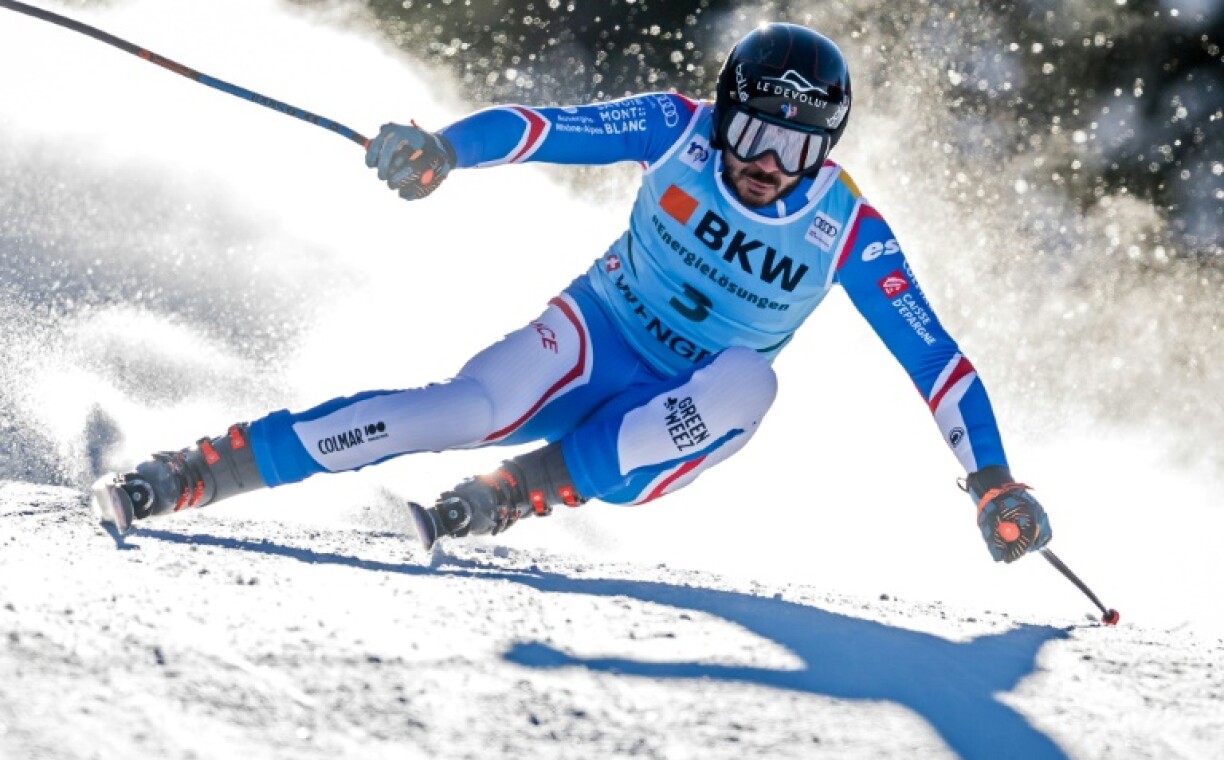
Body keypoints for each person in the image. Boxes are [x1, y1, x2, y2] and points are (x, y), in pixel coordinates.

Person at [91, 23, 1051, 564]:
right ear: (724, 114)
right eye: (754, 134)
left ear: (828, 147)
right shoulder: (676, 128)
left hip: (689, 406)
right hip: (595, 330)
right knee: (456, 409)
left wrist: (994, 482)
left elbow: (937, 362)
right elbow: (547, 127)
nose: (768, 165)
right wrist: (442, 153)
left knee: (753, 384)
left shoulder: (847, 228)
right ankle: (194, 472)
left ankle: (517, 494)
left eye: (799, 148)